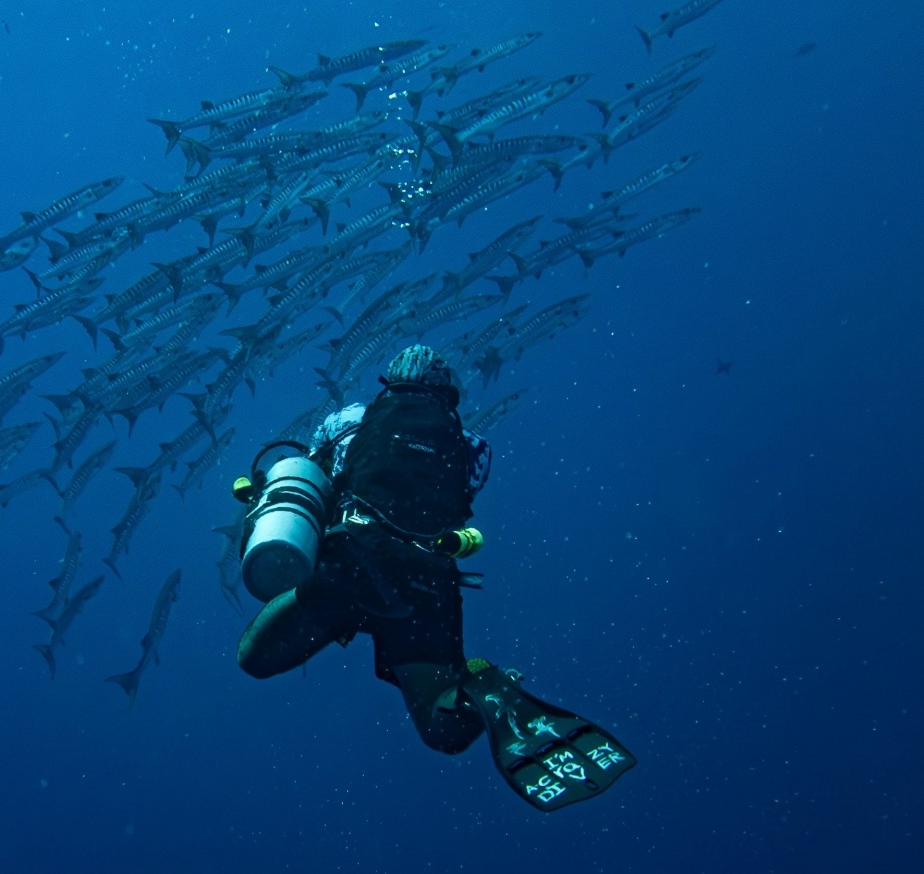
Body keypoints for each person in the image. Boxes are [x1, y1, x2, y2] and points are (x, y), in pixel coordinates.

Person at [234, 344, 636, 810]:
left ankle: (455, 675)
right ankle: (484, 689)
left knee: (254, 658)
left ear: (392, 380)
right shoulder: (472, 445)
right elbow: (461, 498)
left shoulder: (348, 420)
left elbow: (313, 485)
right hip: (430, 579)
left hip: (356, 563)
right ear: (446, 391)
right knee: (439, 727)